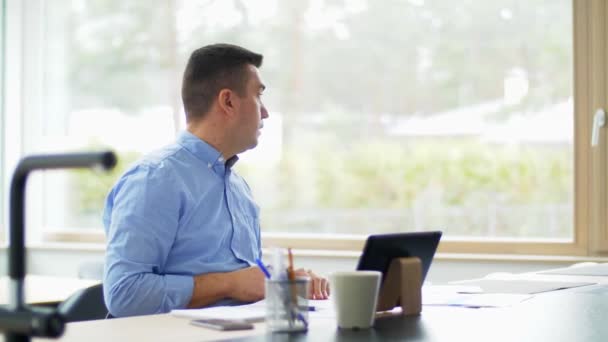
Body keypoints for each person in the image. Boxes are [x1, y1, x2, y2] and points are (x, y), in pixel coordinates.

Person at [103, 43, 330, 317]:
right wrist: (230, 284)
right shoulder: (155, 179)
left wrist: (281, 280)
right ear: (228, 101)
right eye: (258, 96)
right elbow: (124, 294)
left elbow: (244, 278)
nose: (266, 112)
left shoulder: (237, 187)